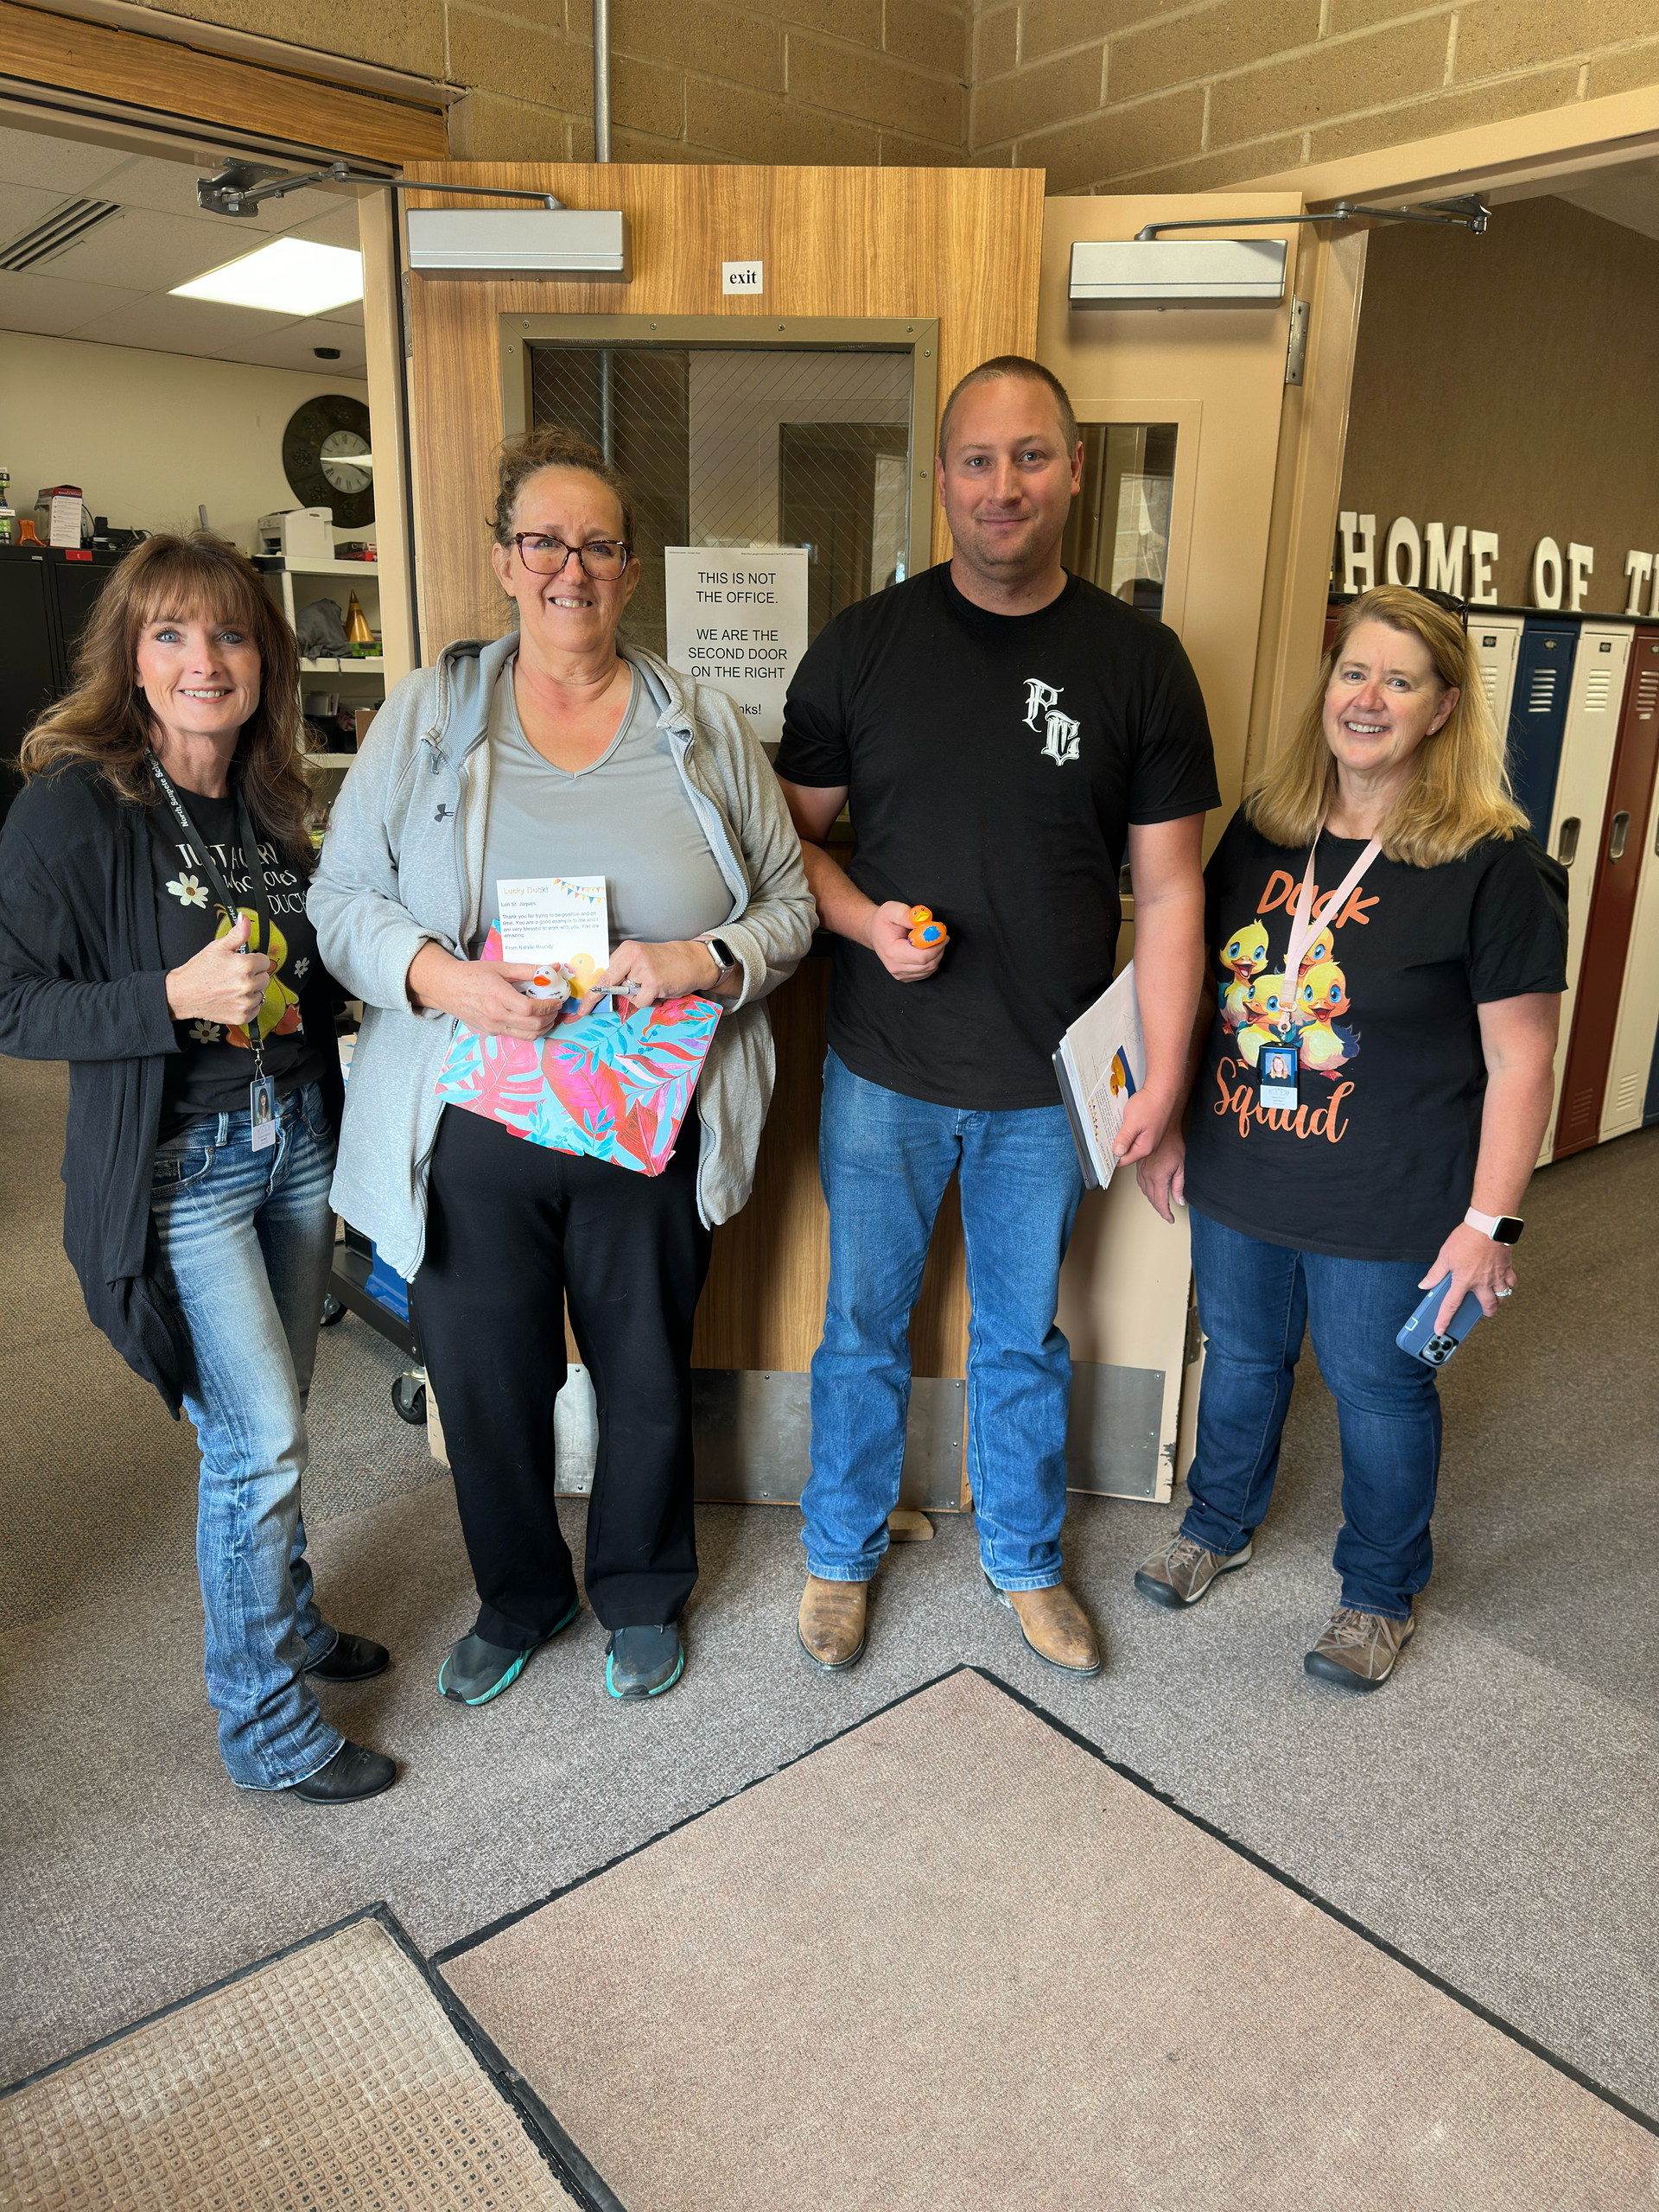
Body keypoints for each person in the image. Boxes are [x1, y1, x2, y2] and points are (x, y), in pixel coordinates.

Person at [310, 428, 815, 1707]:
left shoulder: (696, 724)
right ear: (505, 560)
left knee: (645, 1374)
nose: (569, 570)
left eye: (596, 545)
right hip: (473, 1123)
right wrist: (440, 976)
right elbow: (342, 897)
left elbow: (793, 909)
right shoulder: (431, 716)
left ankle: (641, 1591)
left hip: (645, 1118)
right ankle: (520, 1596)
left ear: (630, 570)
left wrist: (698, 957)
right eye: (545, 543)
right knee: (486, 1381)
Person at [774, 356, 1219, 1678]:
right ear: (943, 482)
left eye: (1032, 456)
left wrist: (1167, 1080)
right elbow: (784, 848)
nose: (1003, 485)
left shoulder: (1139, 663)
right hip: (885, 1072)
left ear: (1076, 471)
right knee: (861, 1328)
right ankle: (839, 1553)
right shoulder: (864, 643)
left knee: (1020, 1337)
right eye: (978, 460)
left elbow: (1174, 891)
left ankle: (1023, 1562)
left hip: (1048, 1087)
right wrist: (863, 924)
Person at [0, 533, 394, 1803]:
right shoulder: (75, 802)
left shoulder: (271, 805)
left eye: (227, 634)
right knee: (259, 1442)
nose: (202, 659)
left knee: (275, 1428)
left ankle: (285, 1622)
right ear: (128, 654)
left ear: (264, 659)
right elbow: (12, 1006)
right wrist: (166, 996)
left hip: (292, 1150)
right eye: (170, 633)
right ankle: (267, 1730)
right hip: (183, 1171)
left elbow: (309, 975)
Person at [1132, 584, 1567, 1690]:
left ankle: (1378, 1592)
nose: (1367, 698)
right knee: (1241, 1357)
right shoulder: (1267, 828)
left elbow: (1523, 1061)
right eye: (1353, 672)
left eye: (1400, 680)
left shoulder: (1491, 865)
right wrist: (1174, 1118)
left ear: (1441, 709)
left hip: (1391, 1201)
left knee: (1380, 1393)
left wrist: (1490, 1223)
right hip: (1243, 1170)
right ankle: (1218, 1520)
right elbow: (1206, 986)